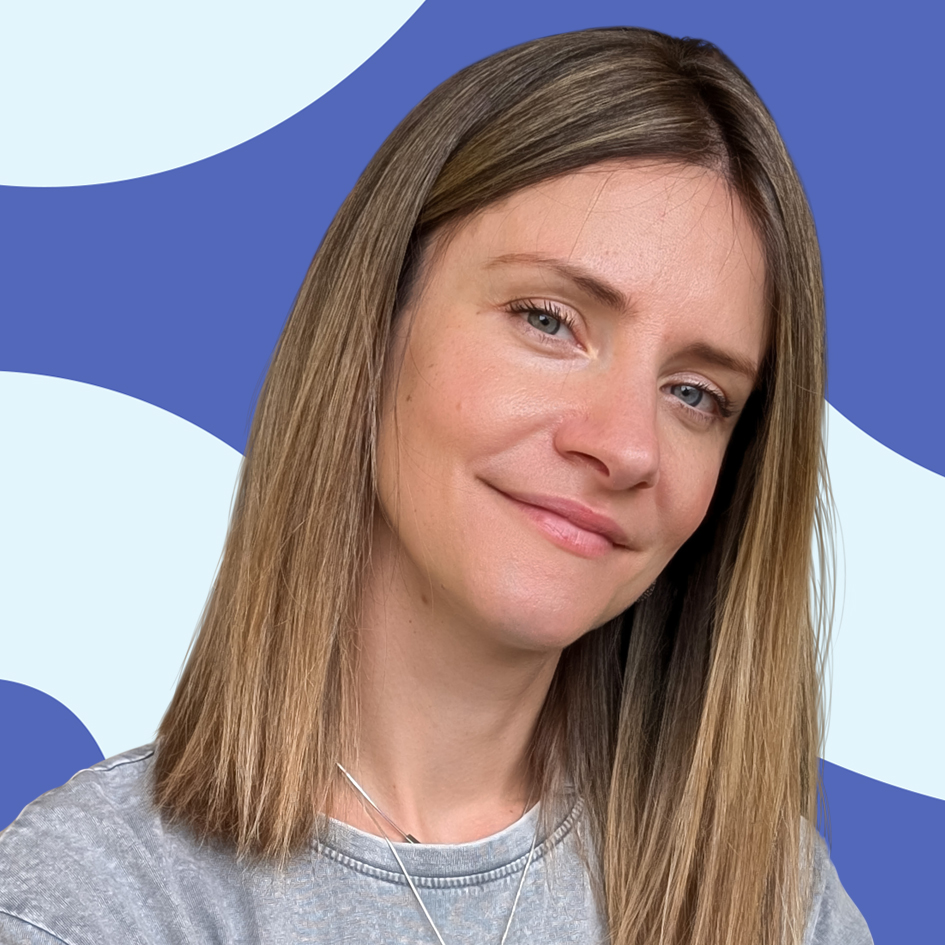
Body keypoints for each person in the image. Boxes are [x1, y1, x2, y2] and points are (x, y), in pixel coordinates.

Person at [0, 26, 872, 945]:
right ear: (376, 325)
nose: (622, 446)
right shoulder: (94, 904)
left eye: (695, 393)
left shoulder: (777, 904)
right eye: (548, 321)